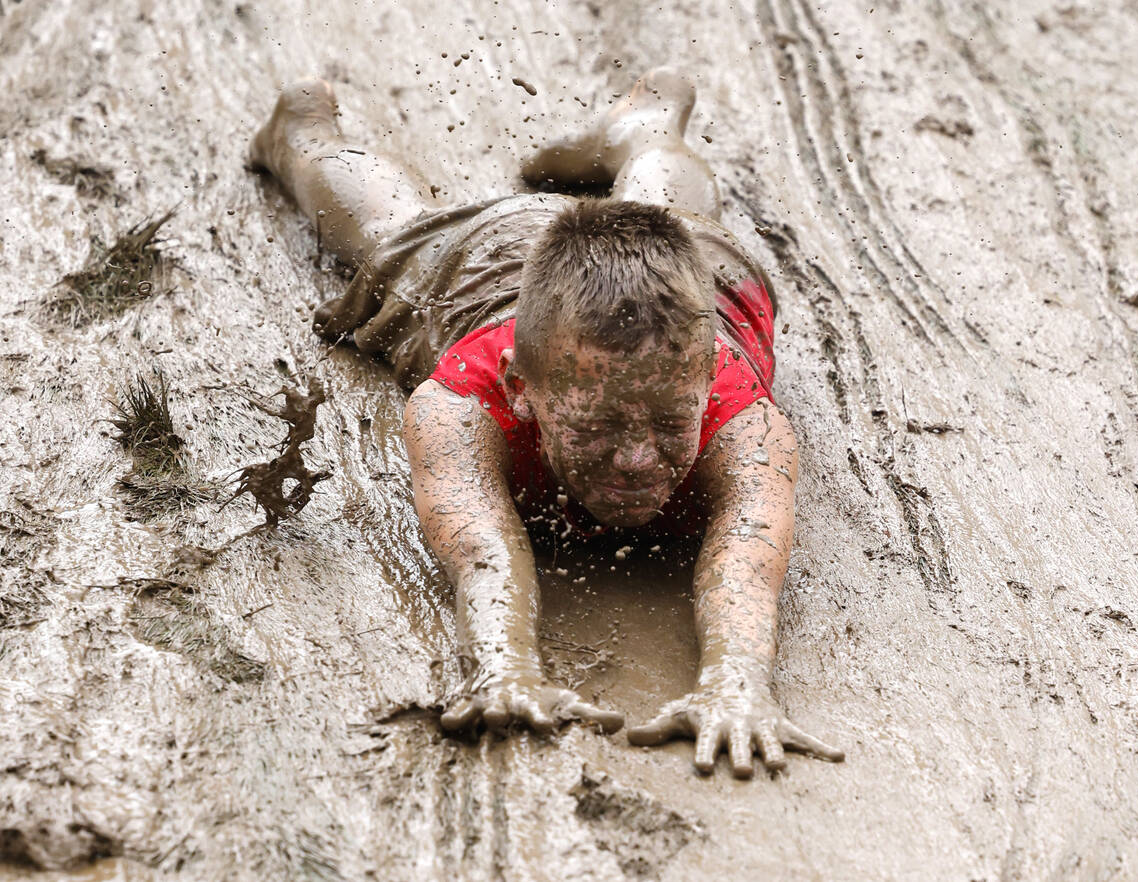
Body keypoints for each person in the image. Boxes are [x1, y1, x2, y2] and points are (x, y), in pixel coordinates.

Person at [249, 68, 842, 778]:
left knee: (678, 223)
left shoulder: (748, 425)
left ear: (705, 381)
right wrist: (504, 667)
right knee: (394, 237)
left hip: (691, 276)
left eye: (668, 423)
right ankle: (303, 135)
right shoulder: (459, 404)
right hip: (488, 267)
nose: (636, 460)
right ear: (519, 389)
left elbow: (746, 564)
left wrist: (737, 685)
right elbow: (480, 550)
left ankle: (643, 126)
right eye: (595, 429)